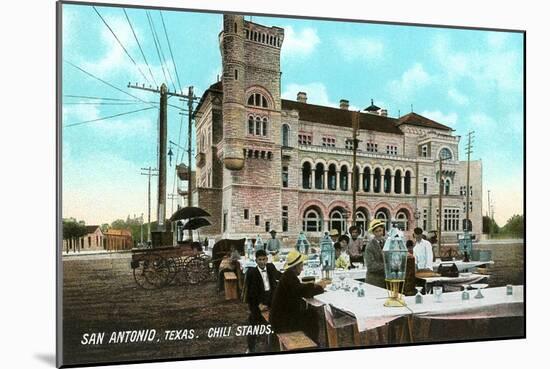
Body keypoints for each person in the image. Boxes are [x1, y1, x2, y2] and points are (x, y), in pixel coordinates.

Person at [270, 249, 329, 344]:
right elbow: (304, 292)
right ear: (296, 266)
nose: (302, 268)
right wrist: (320, 287)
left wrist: (314, 285)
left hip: (280, 318)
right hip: (282, 323)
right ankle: (313, 343)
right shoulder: (289, 277)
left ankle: (313, 342)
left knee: (310, 314)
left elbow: (300, 288)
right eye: (301, 265)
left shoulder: (288, 275)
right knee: (312, 315)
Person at [244, 249, 281, 353]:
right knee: (253, 322)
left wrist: (290, 274)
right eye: (259, 260)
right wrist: (258, 304)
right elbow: (251, 293)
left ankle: (275, 344)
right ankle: (251, 347)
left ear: (267, 259)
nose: (262, 262)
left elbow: (280, 276)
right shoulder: (252, 273)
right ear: (256, 261)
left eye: (264, 259)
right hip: (258, 301)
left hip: (271, 299)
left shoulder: (271, 267)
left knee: (277, 319)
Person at [364, 219, 386, 288]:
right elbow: (371, 266)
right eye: (376, 231)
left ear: (383, 230)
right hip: (373, 282)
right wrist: (387, 266)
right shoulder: (370, 246)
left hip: (385, 281)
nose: (379, 233)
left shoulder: (387, 243)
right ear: (373, 233)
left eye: (380, 230)